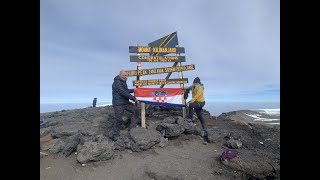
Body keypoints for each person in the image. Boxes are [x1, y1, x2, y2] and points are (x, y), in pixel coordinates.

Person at [111, 70, 140, 141]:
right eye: (123, 75)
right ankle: (115, 135)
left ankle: (132, 127)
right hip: (118, 104)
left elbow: (126, 90)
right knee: (118, 119)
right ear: (119, 75)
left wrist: (134, 90)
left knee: (136, 110)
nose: (124, 77)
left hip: (125, 102)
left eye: (126, 75)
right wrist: (134, 98)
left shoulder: (123, 82)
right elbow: (123, 92)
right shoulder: (116, 83)